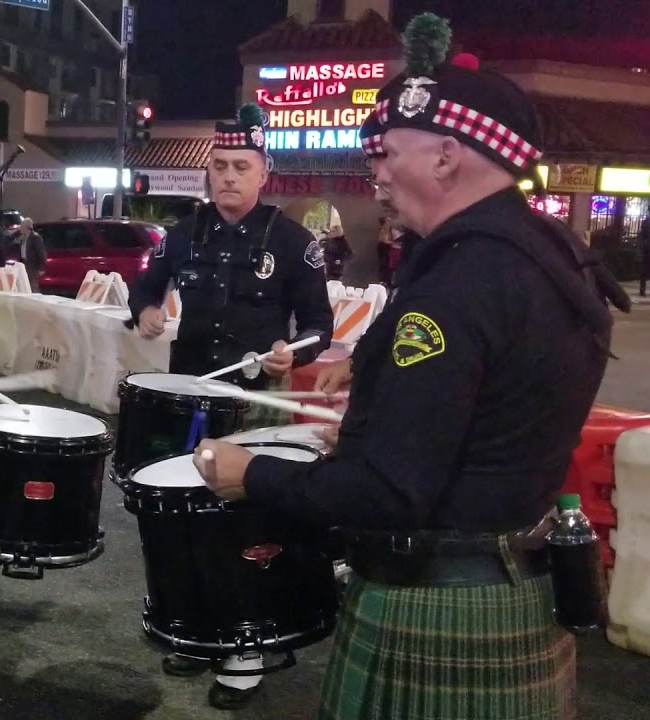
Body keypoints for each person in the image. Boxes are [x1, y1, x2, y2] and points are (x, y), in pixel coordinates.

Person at [190, 16, 630, 720]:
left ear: (447, 156)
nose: (377, 170)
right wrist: (372, 407)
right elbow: (491, 411)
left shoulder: (459, 287)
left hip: (439, 601)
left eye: (389, 151)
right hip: (512, 580)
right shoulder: (553, 253)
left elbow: (389, 495)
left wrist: (254, 475)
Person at [126, 103, 334, 711]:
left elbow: (319, 325)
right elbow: (147, 283)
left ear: (264, 172)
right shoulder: (182, 233)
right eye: (218, 166)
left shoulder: (295, 241)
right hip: (190, 394)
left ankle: (245, 646)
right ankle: (197, 628)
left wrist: (289, 354)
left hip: (256, 398)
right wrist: (146, 310)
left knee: (244, 524)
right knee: (186, 519)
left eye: (240, 166)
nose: (227, 177)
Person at [16, 217, 47, 292]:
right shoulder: (23, 238)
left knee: (33, 285)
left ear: (26, 227)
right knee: (25, 285)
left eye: (22, 226)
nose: (20, 228)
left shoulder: (35, 238)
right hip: (24, 264)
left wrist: (41, 268)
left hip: (33, 266)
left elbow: (41, 253)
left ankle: (36, 299)